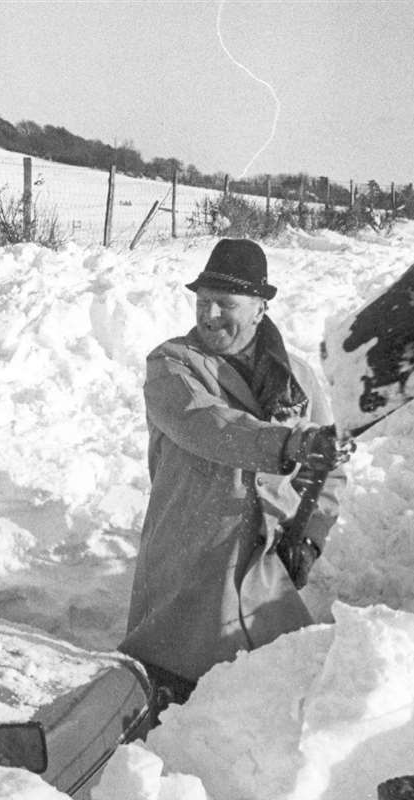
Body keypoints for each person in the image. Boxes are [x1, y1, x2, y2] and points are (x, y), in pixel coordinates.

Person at [121, 238, 348, 705]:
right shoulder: (172, 365)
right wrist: (290, 443)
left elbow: (326, 476)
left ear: (260, 308)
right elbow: (209, 427)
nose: (210, 316)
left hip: (264, 572)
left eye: (226, 304)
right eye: (203, 303)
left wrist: (310, 537)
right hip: (189, 565)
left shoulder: (297, 377)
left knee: (274, 705)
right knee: (170, 701)